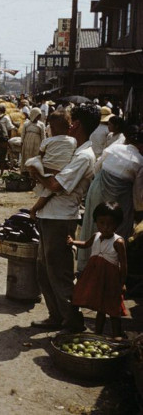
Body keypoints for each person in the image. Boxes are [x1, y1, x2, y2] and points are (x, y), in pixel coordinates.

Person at [27, 104, 100, 334]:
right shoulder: (74, 150)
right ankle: (56, 316)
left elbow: (56, 184)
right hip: (49, 215)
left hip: (61, 218)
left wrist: (36, 171)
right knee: (44, 270)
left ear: (76, 125)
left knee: (59, 273)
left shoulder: (83, 156)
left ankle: (72, 322)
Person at [77, 126, 143, 272]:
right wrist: (139, 211)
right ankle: (110, 268)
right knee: (117, 228)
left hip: (98, 187)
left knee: (92, 223)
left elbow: (97, 167)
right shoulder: (140, 161)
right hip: (120, 196)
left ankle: (85, 267)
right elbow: (138, 193)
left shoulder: (115, 148)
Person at [70, 202, 128, 337]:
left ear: (117, 224)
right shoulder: (96, 236)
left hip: (111, 279)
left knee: (113, 308)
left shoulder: (118, 242)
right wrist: (73, 242)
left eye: (110, 224)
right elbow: (85, 244)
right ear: (96, 221)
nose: (106, 227)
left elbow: (124, 265)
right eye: (102, 223)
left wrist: (122, 282)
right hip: (96, 277)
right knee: (100, 308)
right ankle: (98, 335)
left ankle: (116, 335)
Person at [20, 108, 46, 174]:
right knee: (27, 156)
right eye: (38, 115)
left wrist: (43, 145)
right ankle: (26, 171)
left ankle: (34, 172)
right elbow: (23, 133)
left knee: (35, 157)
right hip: (27, 143)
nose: (39, 117)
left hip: (36, 144)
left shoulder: (41, 125)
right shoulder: (26, 124)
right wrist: (22, 142)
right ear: (34, 115)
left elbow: (43, 136)